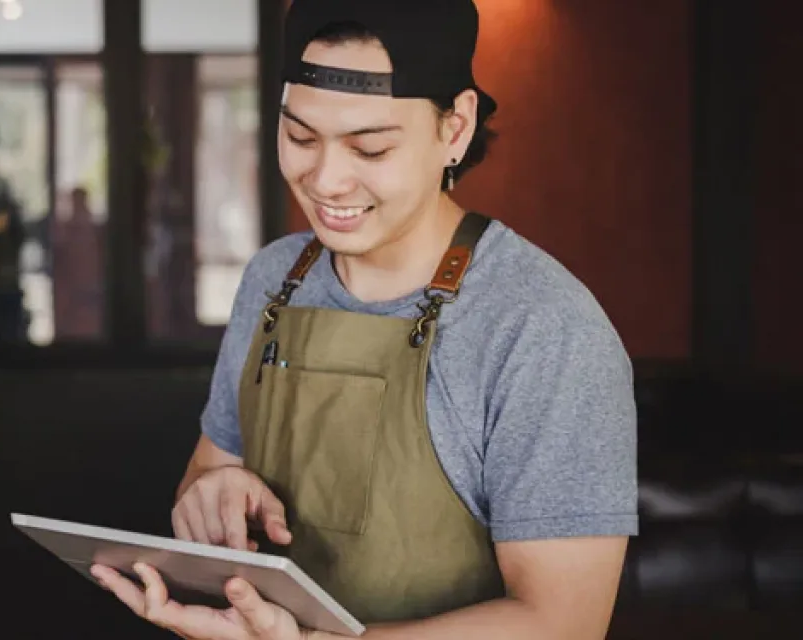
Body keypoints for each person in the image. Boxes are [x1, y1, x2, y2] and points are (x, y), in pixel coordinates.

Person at [91, 0, 638, 638]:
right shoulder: (274, 280)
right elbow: (209, 468)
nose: (325, 179)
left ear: (455, 128)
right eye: (299, 137)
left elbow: (564, 622)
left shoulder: (542, 327)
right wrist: (212, 494)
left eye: (370, 148)